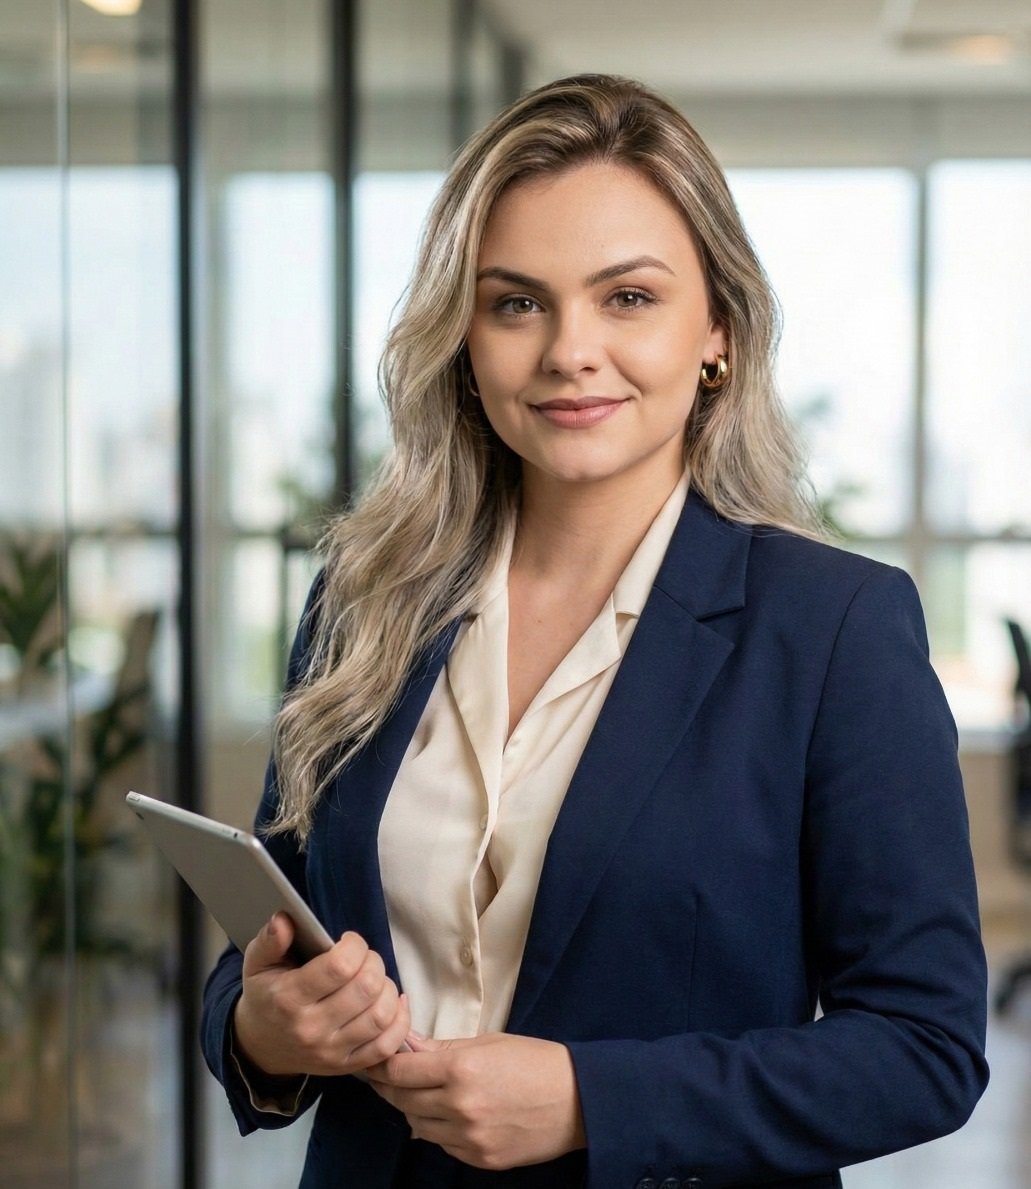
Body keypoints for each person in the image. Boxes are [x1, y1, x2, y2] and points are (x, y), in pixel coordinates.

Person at [202, 74, 988, 1188]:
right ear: (463, 341)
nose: (569, 350)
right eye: (515, 302)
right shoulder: (362, 598)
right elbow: (265, 944)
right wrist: (264, 1034)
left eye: (626, 298)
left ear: (716, 327)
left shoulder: (832, 631)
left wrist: (588, 1100)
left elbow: (923, 1048)